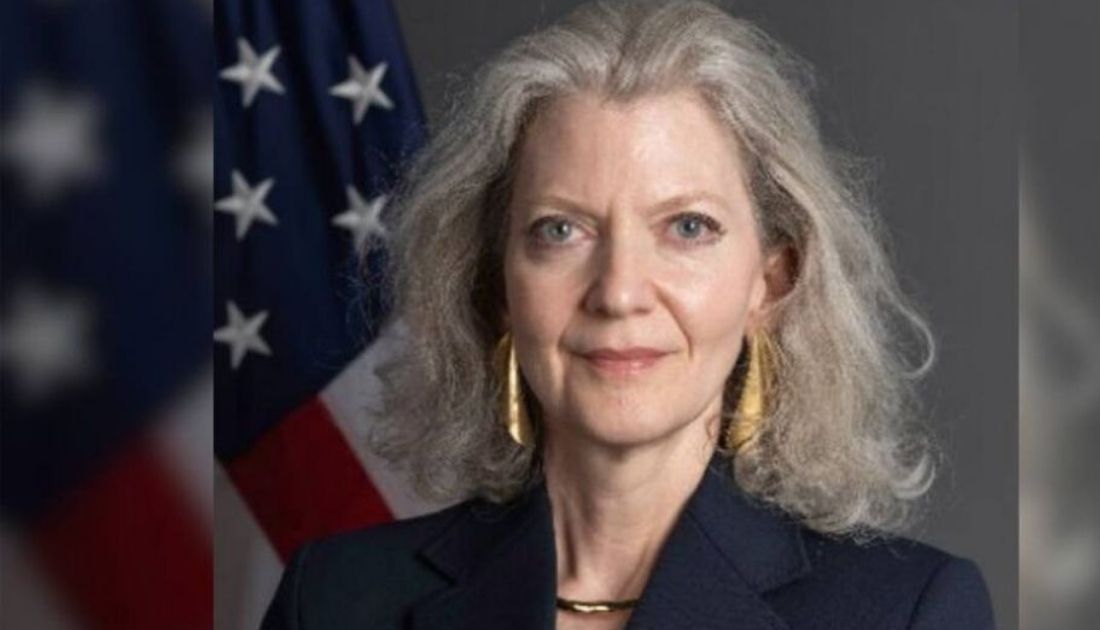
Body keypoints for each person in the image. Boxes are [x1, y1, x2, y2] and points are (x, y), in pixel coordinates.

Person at [263, 1, 995, 628]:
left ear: (771, 284)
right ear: (497, 286)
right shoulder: (331, 601)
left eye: (687, 228)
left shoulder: (905, 612)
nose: (618, 292)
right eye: (561, 230)